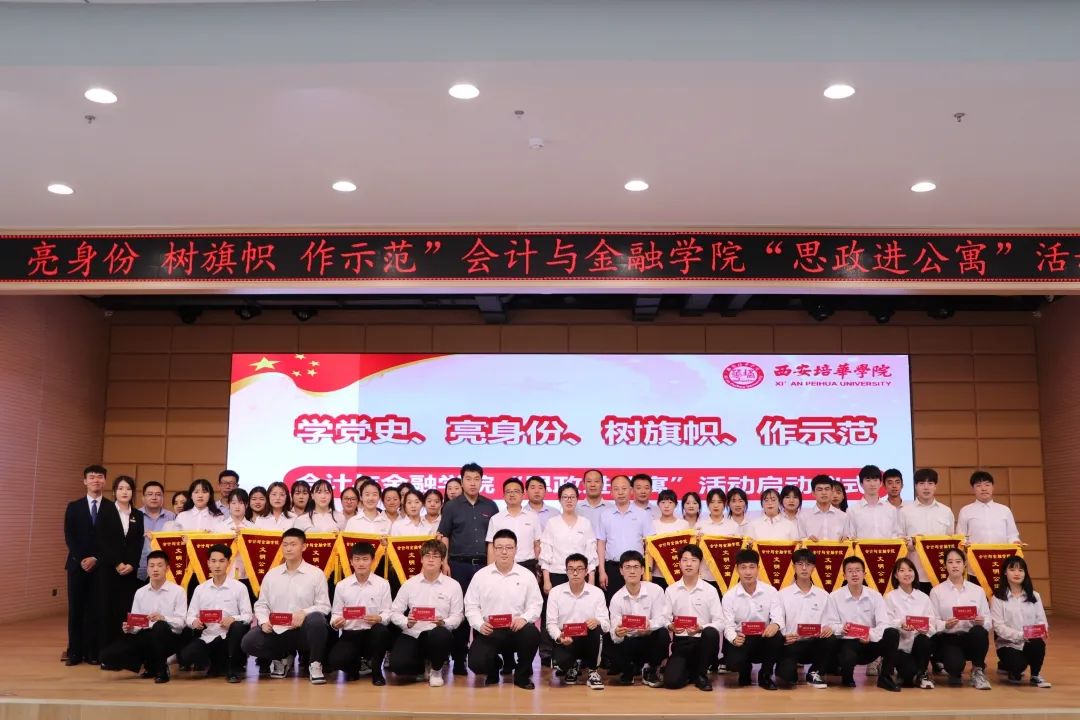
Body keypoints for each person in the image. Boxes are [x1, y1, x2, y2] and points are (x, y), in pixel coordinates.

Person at [241, 528, 332, 684]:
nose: (288, 548)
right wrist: (263, 622)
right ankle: (283, 657)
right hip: (278, 630)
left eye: (293, 544)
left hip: (304, 631)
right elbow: (262, 604)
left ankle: (315, 664)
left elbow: (324, 606)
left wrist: (304, 612)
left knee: (317, 620)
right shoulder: (272, 575)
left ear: (304, 547)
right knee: (249, 642)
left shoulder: (316, 574)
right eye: (285, 544)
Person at [438, 462, 499, 675]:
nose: (473, 483)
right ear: (462, 481)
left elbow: (495, 541)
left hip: (484, 566)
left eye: (477, 479)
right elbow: (444, 536)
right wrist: (444, 563)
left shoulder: (491, 506)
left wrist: (492, 568)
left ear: (482, 481)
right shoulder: (451, 506)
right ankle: (459, 659)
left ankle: (484, 657)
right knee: (461, 612)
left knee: (484, 611)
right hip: (458, 565)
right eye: (468, 479)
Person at [464, 529, 544, 689]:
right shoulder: (481, 576)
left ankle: (521, 676)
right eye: (499, 547)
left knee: (532, 633)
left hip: (516, 629)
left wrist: (524, 619)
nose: (504, 552)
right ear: (493, 549)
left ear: (516, 549)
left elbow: (536, 604)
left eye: (509, 547)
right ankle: (493, 667)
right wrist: (480, 624)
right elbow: (471, 605)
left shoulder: (526, 575)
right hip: (490, 631)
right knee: (476, 663)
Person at [99, 550, 187, 683]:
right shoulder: (140, 592)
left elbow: (181, 623)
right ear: (147, 569)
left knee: (160, 627)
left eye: (159, 565)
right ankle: (149, 664)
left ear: (167, 568)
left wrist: (163, 618)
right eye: (152, 566)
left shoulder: (178, 591)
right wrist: (130, 628)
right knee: (106, 655)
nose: (155, 569)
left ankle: (161, 670)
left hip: (169, 637)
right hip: (146, 635)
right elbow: (137, 623)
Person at [388, 539, 464, 686]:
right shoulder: (409, 584)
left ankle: (436, 670)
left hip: (437, 634)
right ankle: (423, 667)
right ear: (421, 559)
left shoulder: (453, 585)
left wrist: (444, 622)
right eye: (427, 555)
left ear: (442, 560)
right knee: (398, 665)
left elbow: (458, 616)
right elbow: (394, 612)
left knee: (440, 634)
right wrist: (407, 622)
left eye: (435, 556)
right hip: (413, 633)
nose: (431, 559)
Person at [179, 543, 252, 682]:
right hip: (209, 636)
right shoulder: (200, 589)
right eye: (213, 561)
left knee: (237, 626)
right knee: (186, 656)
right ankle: (216, 664)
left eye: (221, 561)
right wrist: (194, 622)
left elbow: (248, 616)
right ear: (208, 563)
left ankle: (233, 669)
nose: (217, 565)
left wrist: (233, 618)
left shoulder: (239, 587)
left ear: (228, 563)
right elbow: (190, 616)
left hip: (230, 637)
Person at [829, 556, 901, 691]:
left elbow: (884, 624)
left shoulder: (875, 596)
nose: (854, 574)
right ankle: (847, 677)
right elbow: (830, 624)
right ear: (844, 575)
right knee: (846, 653)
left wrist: (869, 635)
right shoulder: (834, 596)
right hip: (847, 642)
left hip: (870, 642)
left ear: (864, 574)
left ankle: (885, 677)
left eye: (858, 570)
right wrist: (841, 629)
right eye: (850, 571)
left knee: (892, 633)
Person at [327, 542, 393, 685]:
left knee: (381, 631)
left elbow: (388, 612)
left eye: (365, 559)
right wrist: (336, 623)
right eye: (357, 559)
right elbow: (336, 613)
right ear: (351, 562)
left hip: (372, 633)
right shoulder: (342, 585)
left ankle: (376, 671)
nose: (361, 563)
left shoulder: (383, 584)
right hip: (350, 634)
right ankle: (354, 667)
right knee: (336, 660)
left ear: (372, 560)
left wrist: (380, 618)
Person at [65, 465, 110, 666]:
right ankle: (75, 652)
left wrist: (96, 558)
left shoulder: (111, 508)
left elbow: (112, 539)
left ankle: (93, 652)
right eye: (91, 477)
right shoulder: (73, 507)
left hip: (101, 567)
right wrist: (83, 558)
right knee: (76, 610)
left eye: (100, 477)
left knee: (96, 610)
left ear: (105, 481)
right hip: (77, 566)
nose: (95, 480)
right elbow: (69, 536)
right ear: (85, 481)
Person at [721, 549, 784, 690]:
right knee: (732, 659)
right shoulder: (729, 596)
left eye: (752, 567)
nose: (748, 572)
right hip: (742, 639)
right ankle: (744, 671)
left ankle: (765, 675)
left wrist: (775, 624)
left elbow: (778, 617)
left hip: (763, 638)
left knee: (777, 637)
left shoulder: (771, 591)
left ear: (758, 569)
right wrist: (734, 638)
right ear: (736, 569)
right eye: (743, 567)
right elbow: (728, 625)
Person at [929, 547, 992, 689]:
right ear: (945, 565)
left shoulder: (977, 590)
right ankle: (954, 670)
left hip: (971, 637)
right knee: (954, 668)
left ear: (964, 564)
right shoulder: (937, 591)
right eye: (950, 562)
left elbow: (988, 619)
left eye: (958, 562)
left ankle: (977, 670)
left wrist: (982, 621)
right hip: (949, 638)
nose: (954, 565)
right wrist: (945, 624)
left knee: (979, 631)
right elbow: (932, 621)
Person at [663, 544, 723, 691]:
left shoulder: (710, 590)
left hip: (704, 642)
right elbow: (664, 618)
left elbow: (720, 622)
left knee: (710, 632)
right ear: (679, 563)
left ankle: (701, 675)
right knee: (672, 682)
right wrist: (670, 626)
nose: (689, 564)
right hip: (681, 643)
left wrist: (701, 628)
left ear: (700, 564)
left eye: (694, 560)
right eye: (685, 560)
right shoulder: (671, 590)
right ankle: (691, 671)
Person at [607, 550, 671, 687]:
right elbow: (614, 631)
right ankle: (628, 669)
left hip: (649, 639)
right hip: (629, 642)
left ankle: (651, 669)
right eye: (627, 567)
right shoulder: (616, 599)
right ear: (621, 571)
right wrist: (618, 632)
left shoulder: (656, 590)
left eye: (636, 567)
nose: (632, 571)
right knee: (609, 636)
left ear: (642, 570)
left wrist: (649, 625)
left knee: (663, 633)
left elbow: (663, 618)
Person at [546, 553, 610, 689]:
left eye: (579, 569)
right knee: (560, 664)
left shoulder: (597, 593)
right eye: (571, 569)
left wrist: (597, 621)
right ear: (566, 571)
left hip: (589, 639)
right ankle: (572, 666)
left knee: (597, 629)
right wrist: (559, 636)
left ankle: (593, 671)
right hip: (567, 638)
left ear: (586, 571)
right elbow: (550, 623)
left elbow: (606, 624)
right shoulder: (555, 592)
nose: (575, 573)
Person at [96, 475, 145, 646]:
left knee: (126, 608)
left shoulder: (138, 515)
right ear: (114, 492)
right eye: (121, 488)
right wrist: (117, 563)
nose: (125, 492)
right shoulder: (105, 511)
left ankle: (124, 647)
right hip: (109, 568)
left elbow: (138, 543)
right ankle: (105, 649)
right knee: (107, 608)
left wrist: (132, 563)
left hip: (129, 571)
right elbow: (102, 541)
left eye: (128, 489)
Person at [777, 548, 837, 689]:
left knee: (831, 639)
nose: (804, 568)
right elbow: (777, 621)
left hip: (814, 643)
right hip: (791, 644)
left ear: (813, 568)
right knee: (787, 677)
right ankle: (787, 670)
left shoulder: (823, 595)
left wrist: (829, 628)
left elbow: (832, 621)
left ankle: (815, 672)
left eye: (808, 564)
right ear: (793, 567)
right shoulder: (782, 594)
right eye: (800, 564)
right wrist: (784, 636)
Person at [990, 555, 1051, 688]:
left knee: (1038, 643)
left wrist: (1041, 631)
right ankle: (1010, 668)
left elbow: (1041, 620)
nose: (1017, 573)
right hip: (1008, 644)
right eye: (1012, 569)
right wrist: (1020, 635)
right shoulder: (998, 598)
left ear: (1025, 573)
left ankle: (1035, 675)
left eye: (1020, 570)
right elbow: (998, 627)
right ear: (1005, 572)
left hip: (1030, 641)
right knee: (1018, 666)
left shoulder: (1034, 596)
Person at [886, 556, 939, 689]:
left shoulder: (923, 597)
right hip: (900, 647)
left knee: (924, 639)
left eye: (910, 570)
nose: (907, 573)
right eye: (902, 570)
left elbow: (932, 624)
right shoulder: (890, 597)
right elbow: (886, 623)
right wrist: (901, 624)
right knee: (908, 676)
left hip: (918, 645)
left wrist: (925, 629)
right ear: (896, 575)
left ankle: (922, 674)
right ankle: (903, 671)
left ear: (915, 573)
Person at [596, 475, 653, 601]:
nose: (620, 492)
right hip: (612, 568)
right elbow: (601, 543)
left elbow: (649, 545)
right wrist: (602, 571)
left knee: (638, 603)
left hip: (636, 567)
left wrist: (647, 572)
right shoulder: (605, 515)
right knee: (613, 603)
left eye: (624, 488)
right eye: (616, 489)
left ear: (631, 490)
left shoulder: (643, 514)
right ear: (611, 492)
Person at [899, 469, 955, 593]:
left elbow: (951, 541)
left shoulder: (946, 511)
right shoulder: (904, 512)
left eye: (930, 483)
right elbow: (899, 541)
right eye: (921, 483)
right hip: (914, 574)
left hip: (941, 573)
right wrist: (912, 543)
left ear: (935, 486)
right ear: (915, 486)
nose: (926, 487)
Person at [541, 483, 599, 592]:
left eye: (572, 497)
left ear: (577, 499)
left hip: (580, 574)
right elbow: (546, 553)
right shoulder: (552, 523)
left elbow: (591, 553)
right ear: (560, 500)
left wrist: (591, 579)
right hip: (557, 573)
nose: (569, 500)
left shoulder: (585, 523)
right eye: (565, 497)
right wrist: (546, 580)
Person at [955, 470, 1022, 545]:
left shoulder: (1005, 510)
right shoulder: (965, 511)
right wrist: (965, 543)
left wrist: (1015, 541)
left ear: (993, 487)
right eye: (978, 485)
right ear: (973, 489)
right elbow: (960, 536)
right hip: (975, 552)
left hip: (1001, 552)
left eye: (987, 485)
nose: (983, 489)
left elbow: (1012, 535)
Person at [486, 478, 540, 568]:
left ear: (523, 494)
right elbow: (491, 546)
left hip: (528, 565)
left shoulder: (533, 517)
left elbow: (537, 544)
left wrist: (538, 566)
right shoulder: (495, 519)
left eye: (516, 491)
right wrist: (490, 569)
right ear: (504, 495)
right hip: (503, 564)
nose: (512, 494)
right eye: (508, 492)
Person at [844, 465, 901, 540]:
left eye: (875, 480)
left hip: (887, 547)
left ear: (880, 483)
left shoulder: (891, 509)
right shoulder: (852, 510)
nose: (872, 484)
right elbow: (851, 537)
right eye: (868, 480)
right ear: (861, 484)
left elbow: (896, 536)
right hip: (861, 548)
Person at [649, 489, 689, 588]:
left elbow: (687, 549)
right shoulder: (652, 524)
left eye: (670, 502)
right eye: (663, 502)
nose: (666, 506)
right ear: (658, 504)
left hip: (679, 573)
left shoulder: (684, 524)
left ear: (676, 505)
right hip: (657, 574)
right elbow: (649, 551)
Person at [137, 481, 175, 582]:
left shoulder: (171, 517)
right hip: (139, 568)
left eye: (158, 494)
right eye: (150, 494)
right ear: (143, 498)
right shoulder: (135, 515)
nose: (154, 497)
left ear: (163, 498)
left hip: (165, 570)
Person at [798, 475, 847, 542]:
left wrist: (846, 539)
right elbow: (799, 540)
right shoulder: (804, 516)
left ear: (832, 492)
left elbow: (849, 539)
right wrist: (807, 540)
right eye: (820, 489)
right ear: (813, 493)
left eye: (827, 489)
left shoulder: (843, 516)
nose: (824, 493)